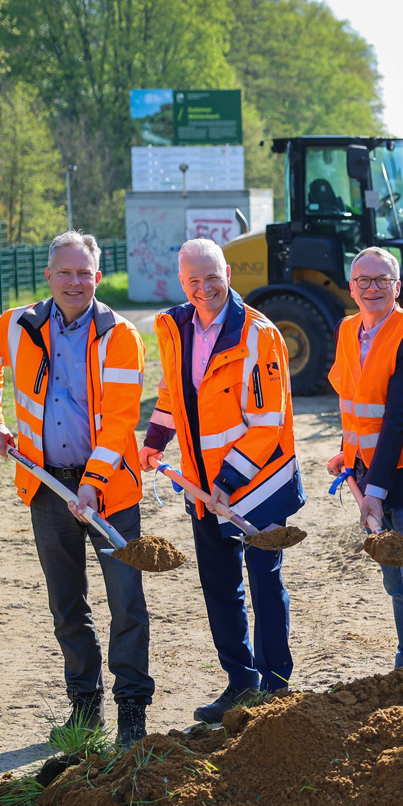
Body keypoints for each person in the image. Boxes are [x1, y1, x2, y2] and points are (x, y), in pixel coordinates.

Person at [0, 230, 153, 745]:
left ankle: (132, 709)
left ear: (98, 276)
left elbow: (120, 422)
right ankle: (85, 708)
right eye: (66, 273)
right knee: (67, 604)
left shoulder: (120, 335)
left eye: (84, 273)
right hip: (46, 486)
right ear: (49, 276)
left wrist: (93, 484)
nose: (76, 282)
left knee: (126, 602)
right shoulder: (18, 325)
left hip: (109, 493)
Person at [139, 238, 304, 723]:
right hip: (202, 487)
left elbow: (268, 423)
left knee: (264, 581)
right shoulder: (174, 328)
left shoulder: (259, 334)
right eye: (193, 280)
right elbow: (172, 391)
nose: (204, 288)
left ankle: (275, 688)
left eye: (212, 277)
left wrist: (228, 481)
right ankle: (240, 682)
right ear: (181, 282)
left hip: (260, 482)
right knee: (220, 586)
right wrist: (156, 439)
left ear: (227, 273)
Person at [328, 247, 403, 669]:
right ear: (351, 287)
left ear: (397, 287)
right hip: (371, 473)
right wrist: (348, 454)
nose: (372, 288)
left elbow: (397, 419)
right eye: (363, 280)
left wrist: (375, 492)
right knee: (395, 584)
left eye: (382, 280)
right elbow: (356, 404)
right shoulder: (348, 330)